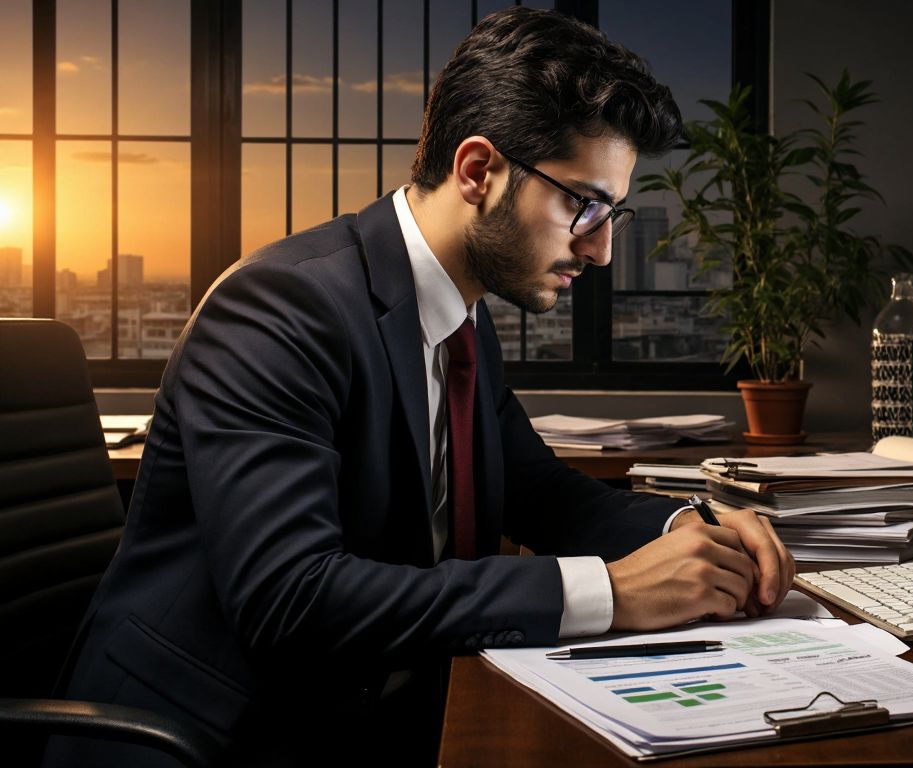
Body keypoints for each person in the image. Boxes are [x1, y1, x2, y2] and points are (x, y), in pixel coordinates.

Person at [49, 8, 794, 767]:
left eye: (613, 212)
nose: (601, 250)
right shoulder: (282, 308)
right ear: (478, 171)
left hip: (377, 704)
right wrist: (610, 592)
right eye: (584, 205)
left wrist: (687, 530)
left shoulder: (458, 317)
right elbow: (291, 597)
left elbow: (538, 491)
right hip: (219, 732)